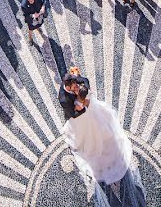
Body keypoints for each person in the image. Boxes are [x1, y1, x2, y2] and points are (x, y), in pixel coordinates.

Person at [61, 66, 145, 205]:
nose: (75, 87)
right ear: (68, 86)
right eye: (73, 86)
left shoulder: (81, 86)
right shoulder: (69, 96)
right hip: (84, 115)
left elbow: (79, 104)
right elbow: (73, 112)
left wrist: (83, 108)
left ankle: (101, 148)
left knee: (94, 135)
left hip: (86, 115)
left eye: (76, 85)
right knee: (99, 130)